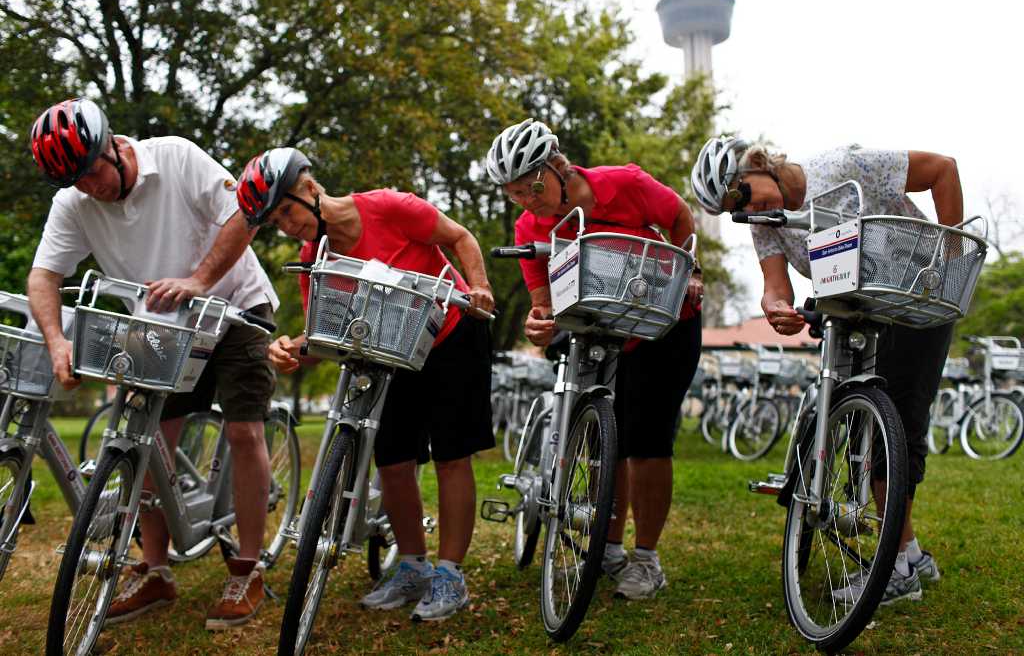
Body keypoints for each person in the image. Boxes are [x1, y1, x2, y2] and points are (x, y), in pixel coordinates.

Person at [27, 97, 278, 629]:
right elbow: (44, 275)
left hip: (234, 307)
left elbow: (245, 211)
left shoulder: (177, 157)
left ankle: (249, 568)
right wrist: (56, 341)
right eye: (75, 180)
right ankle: (156, 570)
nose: (89, 187)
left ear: (114, 147)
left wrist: (199, 280)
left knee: (243, 431)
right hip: (160, 325)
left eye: (92, 170)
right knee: (142, 437)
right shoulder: (74, 202)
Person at [692, 136, 957, 604]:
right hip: (858, 309)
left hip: (915, 298)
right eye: (736, 210)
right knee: (862, 425)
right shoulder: (766, 223)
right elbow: (775, 287)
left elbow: (942, 169)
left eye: (743, 194)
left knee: (900, 425)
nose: (747, 209)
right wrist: (776, 308)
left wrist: (950, 256)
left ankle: (897, 569)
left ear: (756, 164)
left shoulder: (847, 165)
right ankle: (910, 553)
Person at [235, 147, 495, 621]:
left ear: (310, 188)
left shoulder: (388, 207)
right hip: (391, 354)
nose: (287, 226)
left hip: (452, 334)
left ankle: (450, 575)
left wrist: (478, 287)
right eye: (275, 222)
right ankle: (413, 566)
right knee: (394, 462)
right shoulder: (316, 257)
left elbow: (460, 237)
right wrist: (293, 349)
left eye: (287, 211)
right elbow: (324, 335)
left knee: (451, 457)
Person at [484, 118, 704, 600]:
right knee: (608, 439)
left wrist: (689, 268)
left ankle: (646, 560)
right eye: (515, 194)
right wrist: (537, 323)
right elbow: (543, 305)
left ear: (559, 167)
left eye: (533, 187)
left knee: (647, 443)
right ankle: (607, 546)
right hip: (602, 331)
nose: (527, 201)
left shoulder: (624, 184)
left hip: (663, 323)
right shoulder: (530, 225)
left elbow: (681, 218)